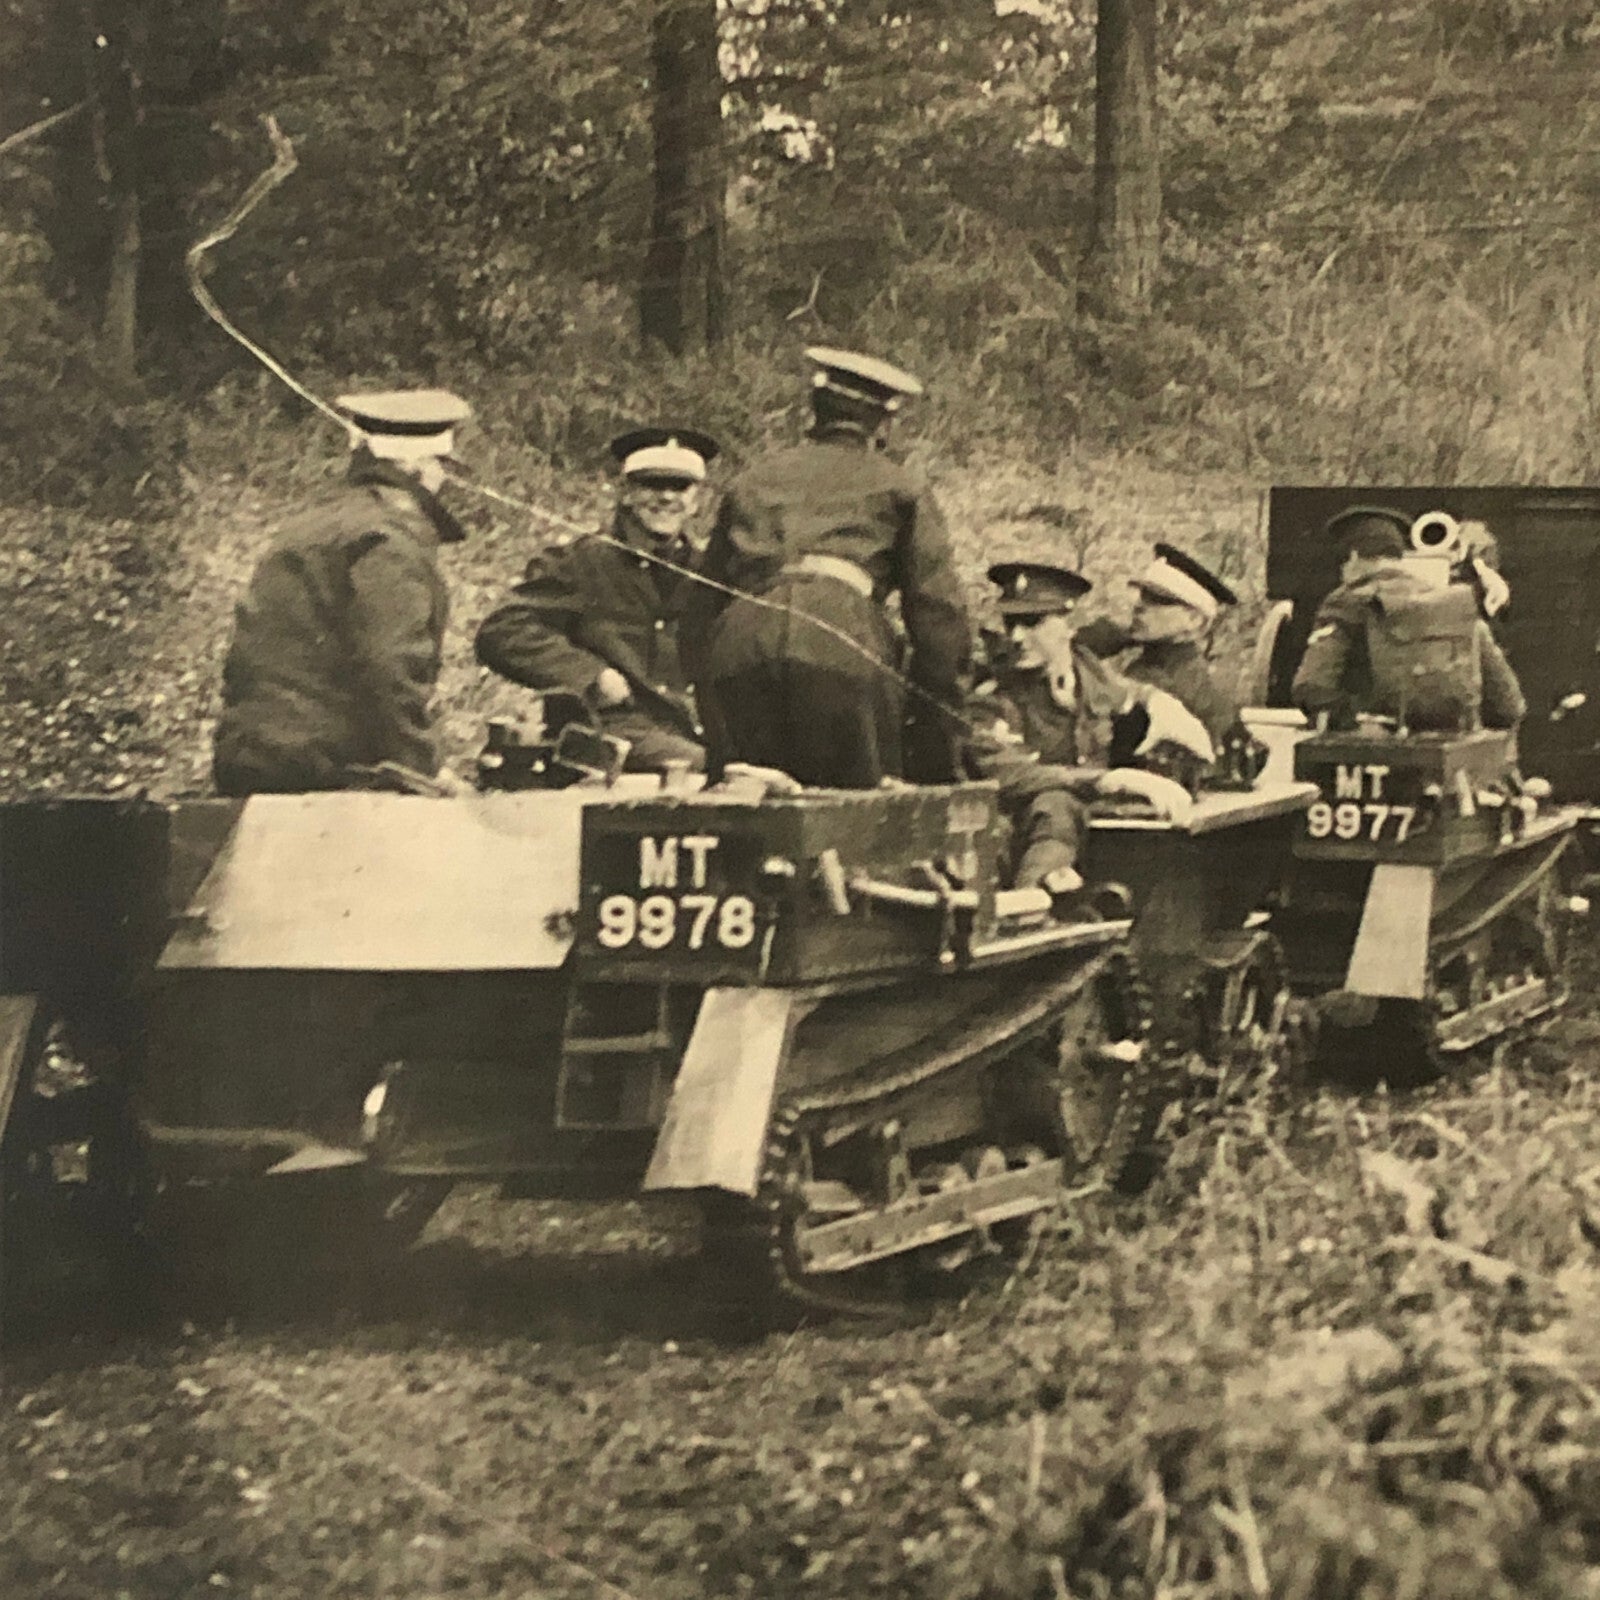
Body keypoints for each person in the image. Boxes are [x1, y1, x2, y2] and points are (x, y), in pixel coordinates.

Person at [684, 347, 971, 788]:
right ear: (884, 422)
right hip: (840, 643)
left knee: (741, 814)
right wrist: (936, 749)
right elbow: (938, 623)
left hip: (740, 645)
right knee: (853, 818)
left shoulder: (753, 479)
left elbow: (701, 608)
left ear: (813, 411)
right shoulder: (901, 486)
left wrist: (711, 704)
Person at [212, 389, 473, 796]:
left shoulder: (314, 523)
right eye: (443, 467)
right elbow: (390, 664)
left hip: (252, 756)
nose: (445, 481)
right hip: (327, 770)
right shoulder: (388, 541)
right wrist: (425, 769)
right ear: (422, 467)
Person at [475, 426, 718, 773]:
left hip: (688, 730)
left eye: (679, 486)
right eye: (651, 484)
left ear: (697, 500)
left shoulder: (709, 572)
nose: (666, 498)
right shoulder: (581, 562)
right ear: (627, 493)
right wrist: (592, 676)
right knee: (707, 769)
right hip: (603, 733)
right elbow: (502, 631)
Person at [964, 560, 1209, 894]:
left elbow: (1126, 692)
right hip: (1015, 843)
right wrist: (1111, 779)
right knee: (1054, 802)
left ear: (1070, 624)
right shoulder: (993, 694)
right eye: (1011, 624)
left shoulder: (1087, 673)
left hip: (1088, 838)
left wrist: (1162, 705)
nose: (1017, 637)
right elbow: (1006, 774)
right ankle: (1035, 898)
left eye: (1033, 623)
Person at [1292, 506, 1526, 731]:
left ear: (1353, 557)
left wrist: (1360, 724)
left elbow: (1312, 687)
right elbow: (1509, 707)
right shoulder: (1453, 602)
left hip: (1370, 760)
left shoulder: (1347, 603)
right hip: (1452, 761)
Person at [1075, 543, 1244, 754]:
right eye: (1143, 596)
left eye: (1158, 600)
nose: (1139, 606)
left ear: (1194, 619)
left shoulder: (1189, 681)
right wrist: (1114, 636)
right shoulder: (1148, 662)